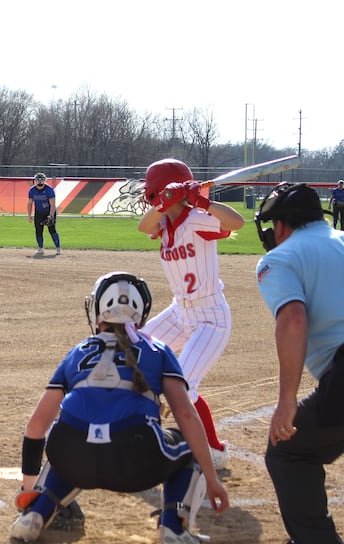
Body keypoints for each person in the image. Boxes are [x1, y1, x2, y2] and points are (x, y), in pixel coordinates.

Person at [10, 271, 229, 544]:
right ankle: (174, 529)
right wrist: (211, 478)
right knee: (189, 446)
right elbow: (186, 414)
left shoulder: (78, 352)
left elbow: (36, 426)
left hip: (75, 455)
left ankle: (34, 514)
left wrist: (29, 488)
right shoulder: (157, 349)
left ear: (99, 311)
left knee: (68, 437)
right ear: (140, 314)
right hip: (135, 457)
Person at [137, 158, 245, 471]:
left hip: (210, 316)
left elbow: (236, 223)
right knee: (134, 353)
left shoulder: (197, 217)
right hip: (179, 311)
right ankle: (139, 433)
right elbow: (143, 226)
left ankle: (214, 450)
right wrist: (167, 201)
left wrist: (200, 200)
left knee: (181, 386)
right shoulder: (163, 223)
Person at [254, 182, 344, 544]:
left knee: (288, 451)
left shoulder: (280, 257)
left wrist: (287, 399)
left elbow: (293, 318)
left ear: (280, 226)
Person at [27, 173, 61, 256]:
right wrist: (29, 215)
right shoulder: (32, 190)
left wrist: (51, 216)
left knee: (52, 230)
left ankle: (58, 248)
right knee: (38, 230)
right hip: (38, 212)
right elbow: (30, 203)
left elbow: (53, 205)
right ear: (35, 181)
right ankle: (40, 248)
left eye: (41, 180)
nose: (39, 182)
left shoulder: (49, 190)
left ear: (44, 181)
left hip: (49, 211)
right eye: (37, 180)